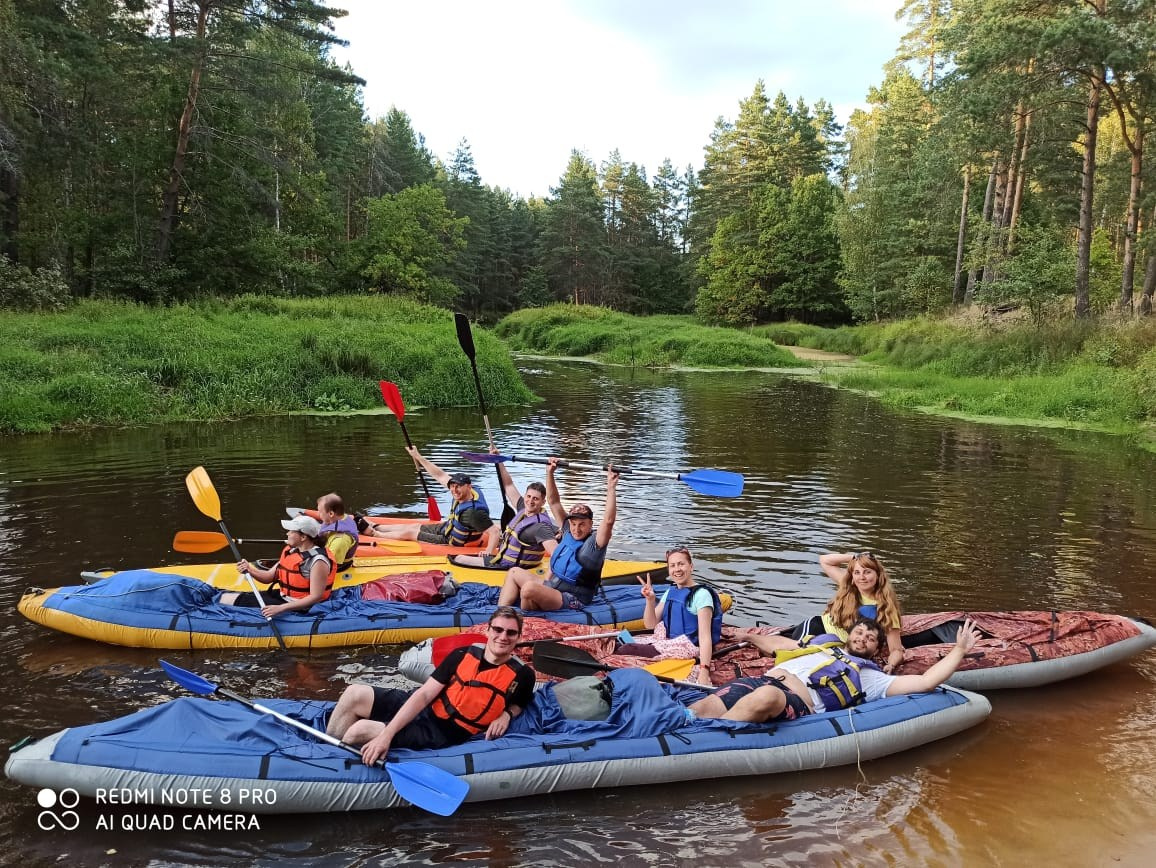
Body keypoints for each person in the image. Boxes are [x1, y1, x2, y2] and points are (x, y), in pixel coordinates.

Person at [326, 606, 536, 765]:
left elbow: (521, 702)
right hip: (427, 707)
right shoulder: (462, 654)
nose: (503, 637)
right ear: (488, 630)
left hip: (444, 731)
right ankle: (325, 751)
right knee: (354, 693)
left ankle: (332, 766)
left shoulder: (523, 675)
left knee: (360, 730)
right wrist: (387, 734)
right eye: (498, 630)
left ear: (518, 637)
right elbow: (424, 694)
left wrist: (506, 715)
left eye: (510, 633)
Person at [688, 617, 981, 724]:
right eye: (860, 632)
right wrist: (751, 637)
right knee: (703, 705)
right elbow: (779, 644)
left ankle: (711, 739)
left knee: (765, 696)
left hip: (791, 701)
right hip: (759, 680)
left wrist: (958, 650)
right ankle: (690, 725)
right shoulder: (824, 645)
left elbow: (926, 682)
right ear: (849, 635)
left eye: (870, 639)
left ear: (875, 649)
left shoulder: (871, 678)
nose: (863, 638)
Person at [497, 458, 619, 611]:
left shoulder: (595, 544)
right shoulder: (568, 530)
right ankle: (500, 613)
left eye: (582, 524)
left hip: (574, 598)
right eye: (574, 524)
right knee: (514, 572)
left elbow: (608, 521)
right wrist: (550, 472)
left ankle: (526, 622)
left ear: (590, 525)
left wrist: (611, 487)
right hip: (553, 587)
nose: (576, 529)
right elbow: (553, 501)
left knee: (528, 589)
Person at [765, 551, 905, 673]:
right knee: (786, 655)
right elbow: (825, 560)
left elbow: (896, 650)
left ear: (878, 574)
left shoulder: (886, 608)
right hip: (818, 628)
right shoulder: (849, 585)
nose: (862, 577)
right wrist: (856, 557)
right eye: (857, 572)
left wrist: (891, 665)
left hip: (836, 646)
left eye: (867, 572)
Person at [366, 445, 495, 548]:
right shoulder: (472, 491)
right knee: (415, 526)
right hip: (447, 528)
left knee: (410, 533)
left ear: (468, 486)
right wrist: (418, 456)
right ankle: (376, 526)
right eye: (452, 486)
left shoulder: (473, 513)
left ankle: (374, 534)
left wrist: (488, 553)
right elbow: (440, 475)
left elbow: (495, 532)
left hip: (453, 541)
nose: (454, 490)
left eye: (458, 486)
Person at [449, 454, 557, 570]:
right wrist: (498, 460)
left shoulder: (540, 527)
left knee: (459, 559)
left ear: (543, 502)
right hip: (501, 560)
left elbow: (556, 555)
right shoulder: (523, 508)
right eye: (528, 496)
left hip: (510, 569)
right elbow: (509, 485)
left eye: (535, 499)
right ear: (525, 495)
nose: (530, 501)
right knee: (459, 558)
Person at [635, 546, 722, 687]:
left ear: (691, 566)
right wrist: (650, 600)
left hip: (689, 646)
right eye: (672, 566)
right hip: (669, 642)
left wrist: (704, 671)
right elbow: (650, 624)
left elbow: (705, 637)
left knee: (626, 650)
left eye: (681, 564)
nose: (677, 569)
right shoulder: (671, 591)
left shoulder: (701, 595)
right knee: (622, 644)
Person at [221, 514, 335, 617]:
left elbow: (316, 597)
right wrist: (249, 569)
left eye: (291, 531)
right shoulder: (292, 550)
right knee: (232, 598)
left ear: (303, 537)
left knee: (230, 600)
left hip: (301, 607)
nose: (287, 534)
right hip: (285, 598)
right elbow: (268, 577)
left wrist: (280, 608)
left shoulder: (318, 561)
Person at [315, 492, 359, 570]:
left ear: (331, 513)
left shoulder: (340, 540)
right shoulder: (341, 517)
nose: (318, 514)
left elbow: (330, 563)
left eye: (320, 512)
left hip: (338, 566)